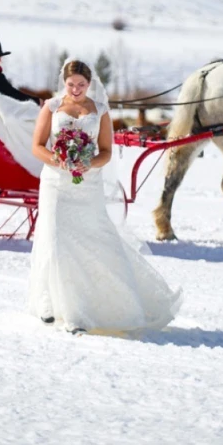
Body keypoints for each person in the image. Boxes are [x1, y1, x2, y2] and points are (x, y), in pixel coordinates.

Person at [29, 57, 182, 335]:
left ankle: (97, 303)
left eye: (82, 85)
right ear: (64, 83)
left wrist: (87, 163)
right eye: (71, 84)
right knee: (54, 237)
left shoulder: (99, 111)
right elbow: (37, 146)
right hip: (55, 182)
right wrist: (58, 159)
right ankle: (59, 306)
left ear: (90, 84)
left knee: (95, 237)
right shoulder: (52, 107)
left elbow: (106, 152)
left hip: (88, 185)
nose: (76, 89)